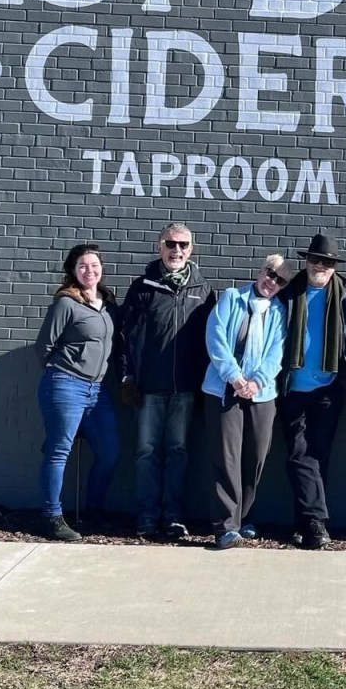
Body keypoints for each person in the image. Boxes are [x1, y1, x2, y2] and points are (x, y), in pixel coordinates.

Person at [118, 223, 216, 539]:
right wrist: (126, 376)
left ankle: (173, 516)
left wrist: (203, 384)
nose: (177, 250)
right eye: (171, 244)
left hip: (185, 389)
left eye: (183, 245)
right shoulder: (142, 287)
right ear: (159, 246)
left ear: (191, 249)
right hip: (148, 388)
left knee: (178, 452)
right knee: (146, 452)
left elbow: (210, 343)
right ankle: (147, 517)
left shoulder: (203, 290)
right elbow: (125, 336)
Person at [279, 232, 346, 550]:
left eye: (328, 263)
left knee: (318, 455)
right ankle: (316, 522)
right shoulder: (290, 292)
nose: (321, 266)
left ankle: (303, 524)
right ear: (307, 261)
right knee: (298, 454)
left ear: (334, 267)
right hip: (292, 387)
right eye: (316, 260)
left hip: (330, 388)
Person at [203, 255, 293, 550]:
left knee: (256, 457)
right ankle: (226, 526)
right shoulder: (232, 298)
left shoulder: (279, 311)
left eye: (280, 280)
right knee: (226, 458)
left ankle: (245, 518)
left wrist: (257, 382)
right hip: (224, 390)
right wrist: (234, 377)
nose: (272, 282)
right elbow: (215, 338)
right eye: (270, 273)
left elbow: (277, 353)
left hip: (261, 394)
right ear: (260, 270)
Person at [34, 243, 121, 543]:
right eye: (82, 266)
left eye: (94, 265)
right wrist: (64, 371)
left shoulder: (108, 304)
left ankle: (93, 512)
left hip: (98, 391)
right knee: (59, 451)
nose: (89, 271)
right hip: (66, 384)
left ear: (102, 269)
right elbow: (43, 346)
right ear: (73, 270)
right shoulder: (66, 303)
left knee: (109, 453)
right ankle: (52, 517)